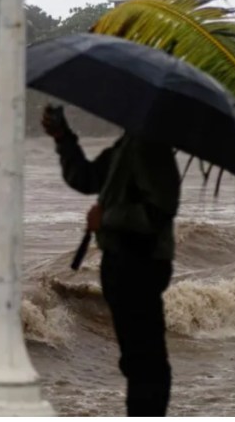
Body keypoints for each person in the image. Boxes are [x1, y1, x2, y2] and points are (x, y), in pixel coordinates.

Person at [41, 105, 181, 417]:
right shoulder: (129, 145)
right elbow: (87, 178)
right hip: (122, 261)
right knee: (137, 357)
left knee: (144, 358)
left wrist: (107, 218)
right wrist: (64, 139)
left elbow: (160, 210)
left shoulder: (151, 148)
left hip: (140, 262)